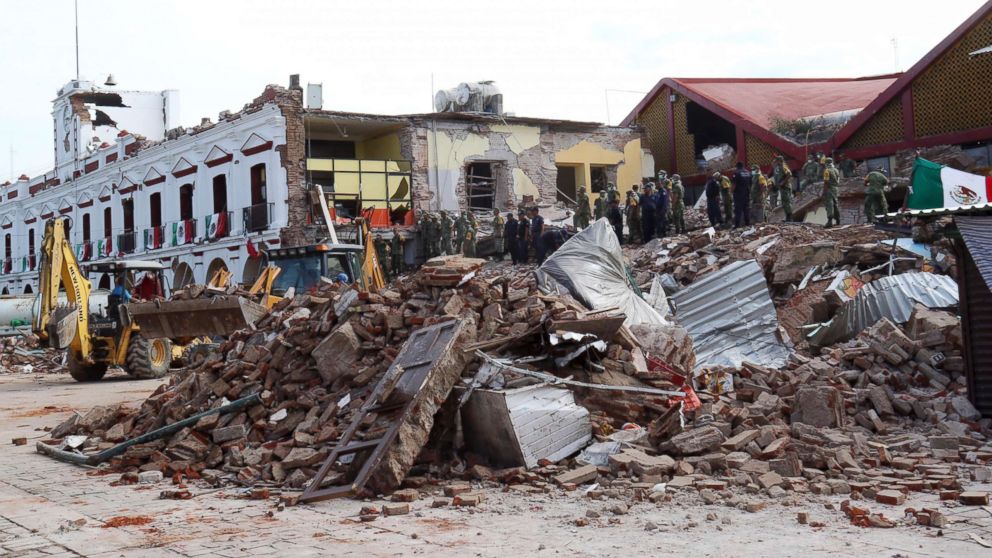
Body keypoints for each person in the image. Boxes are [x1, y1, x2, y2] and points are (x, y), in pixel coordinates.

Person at [773, 155, 794, 221]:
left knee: (787, 201)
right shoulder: (778, 167)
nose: (775, 162)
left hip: (785, 187)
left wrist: (783, 182)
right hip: (782, 188)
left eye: (776, 160)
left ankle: (789, 217)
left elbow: (789, 174)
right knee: (784, 202)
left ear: (779, 161)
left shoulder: (783, 166)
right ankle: (787, 216)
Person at [732, 162, 752, 228]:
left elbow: (734, 185)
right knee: (746, 209)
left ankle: (737, 225)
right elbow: (750, 184)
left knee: (738, 210)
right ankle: (747, 224)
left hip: (738, 194)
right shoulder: (748, 173)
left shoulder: (736, 173)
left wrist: (730, 192)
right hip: (746, 193)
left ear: (737, 166)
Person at [823, 157, 841, 228]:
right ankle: (838, 219)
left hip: (829, 188)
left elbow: (826, 181)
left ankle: (829, 221)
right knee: (835, 204)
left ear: (826, 163)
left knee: (829, 204)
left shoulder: (827, 170)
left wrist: (824, 191)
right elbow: (838, 178)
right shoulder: (836, 170)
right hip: (836, 188)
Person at [656, 171, 671, 237]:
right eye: (659, 175)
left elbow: (669, 191)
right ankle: (664, 229)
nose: (660, 176)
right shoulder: (660, 181)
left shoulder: (668, 181)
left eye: (661, 175)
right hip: (661, 200)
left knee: (665, 215)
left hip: (666, 199)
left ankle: (667, 228)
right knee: (662, 218)